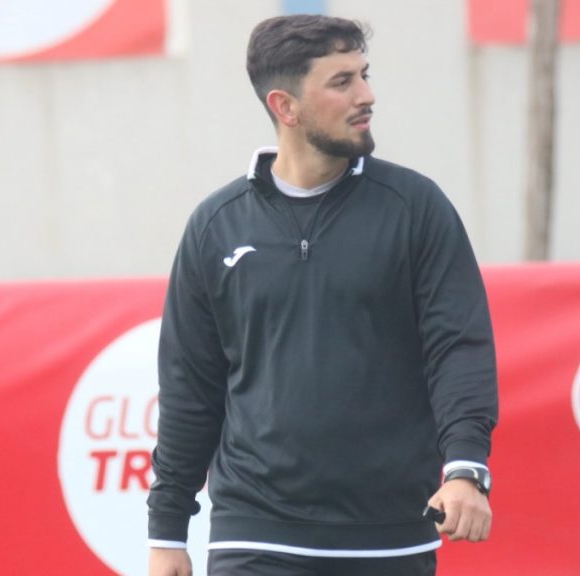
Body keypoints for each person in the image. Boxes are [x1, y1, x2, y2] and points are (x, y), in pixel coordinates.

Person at [147, 14, 498, 576]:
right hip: (255, 536)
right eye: (342, 82)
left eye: (363, 74)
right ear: (285, 107)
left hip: (390, 539)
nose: (367, 95)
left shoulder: (415, 207)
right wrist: (166, 531)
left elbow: (458, 349)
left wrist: (465, 468)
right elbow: (191, 387)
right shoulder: (216, 226)